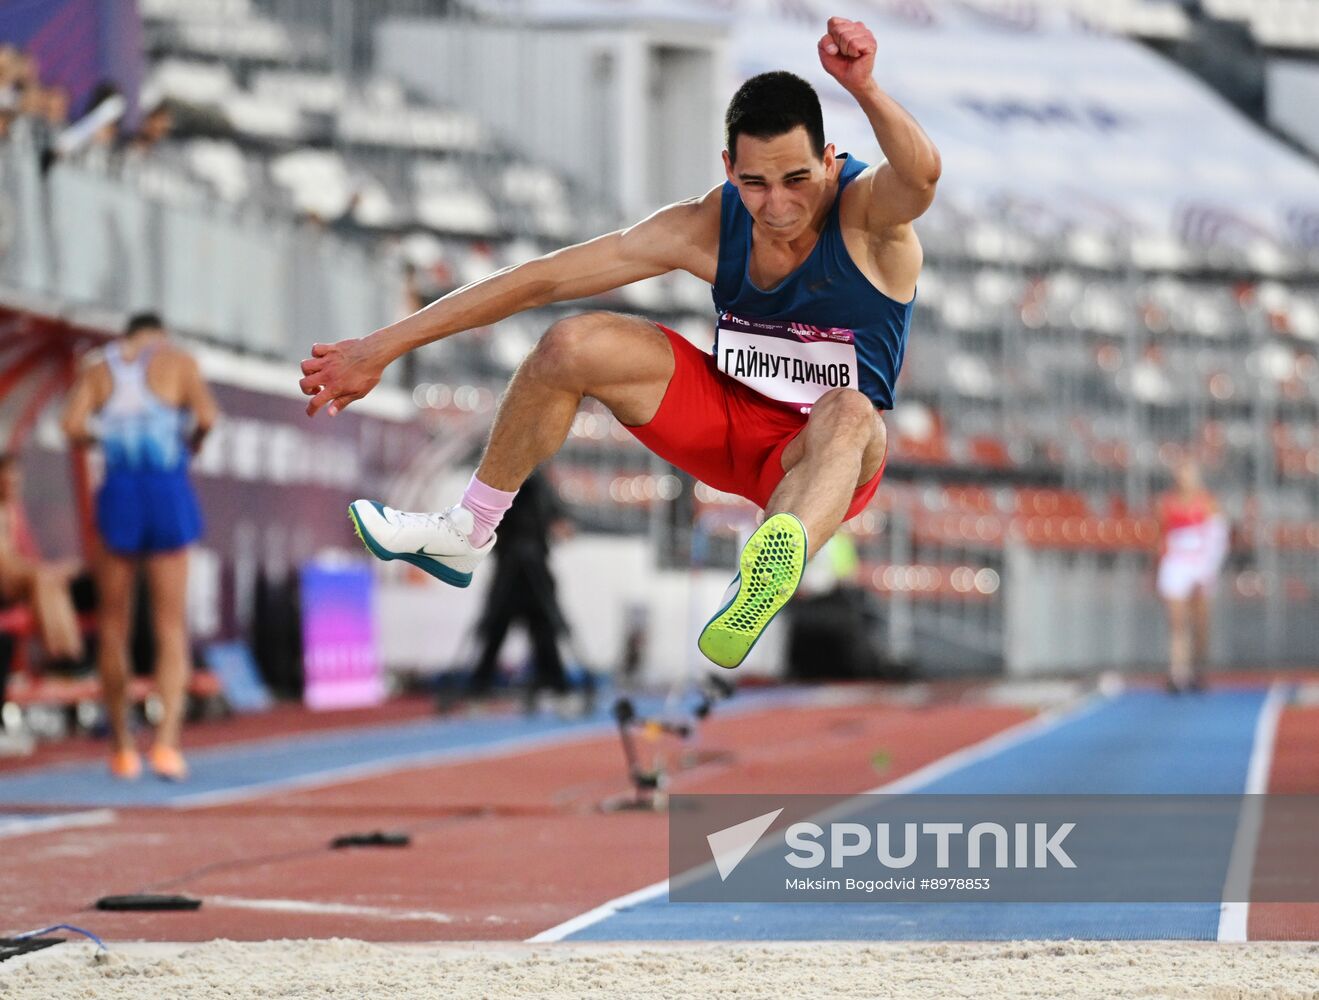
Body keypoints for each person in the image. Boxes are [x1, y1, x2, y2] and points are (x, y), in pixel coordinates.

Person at [301, 17, 938, 669]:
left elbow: (919, 178)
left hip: (821, 454)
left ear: (829, 162)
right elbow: (539, 279)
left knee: (853, 410)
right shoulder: (704, 227)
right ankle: (466, 531)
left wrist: (864, 88)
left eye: (796, 180)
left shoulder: (866, 221)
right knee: (571, 342)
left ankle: (767, 567)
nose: (776, 206)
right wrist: (381, 345)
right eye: (754, 184)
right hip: (724, 426)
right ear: (728, 169)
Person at [62, 313, 219, 779]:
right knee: (170, 625)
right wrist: (190, 443)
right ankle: (167, 743)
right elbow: (206, 417)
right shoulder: (178, 360)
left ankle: (121, 746)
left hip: (120, 491)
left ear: (126, 336)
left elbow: (71, 425)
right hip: (166, 489)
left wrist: (109, 436)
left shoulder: (98, 367)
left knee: (114, 625)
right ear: (160, 334)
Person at [467, 468, 573, 702]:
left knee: (544, 632)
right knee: (495, 629)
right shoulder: (504, 484)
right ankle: (479, 685)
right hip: (509, 572)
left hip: (534, 572)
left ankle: (556, 685)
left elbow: (563, 525)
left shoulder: (542, 486)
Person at [0, 452, 85, 665]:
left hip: (21, 576)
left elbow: (28, 556)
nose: (13, 482)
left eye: (16, 478)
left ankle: (69, 652)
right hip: (6, 580)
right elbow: (6, 562)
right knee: (43, 577)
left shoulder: (15, 512)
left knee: (51, 581)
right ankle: (58, 654)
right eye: (8, 477)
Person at [1155, 458, 1228, 693]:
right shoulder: (1166, 503)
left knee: (1200, 623)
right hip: (1175, 564)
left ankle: (1199, 669)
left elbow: (1218, 538)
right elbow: (1160, 537)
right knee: (1177, 621)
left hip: (1200, 565)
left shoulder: (1208, 503)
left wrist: (1207, 570)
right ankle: (1178, 673)